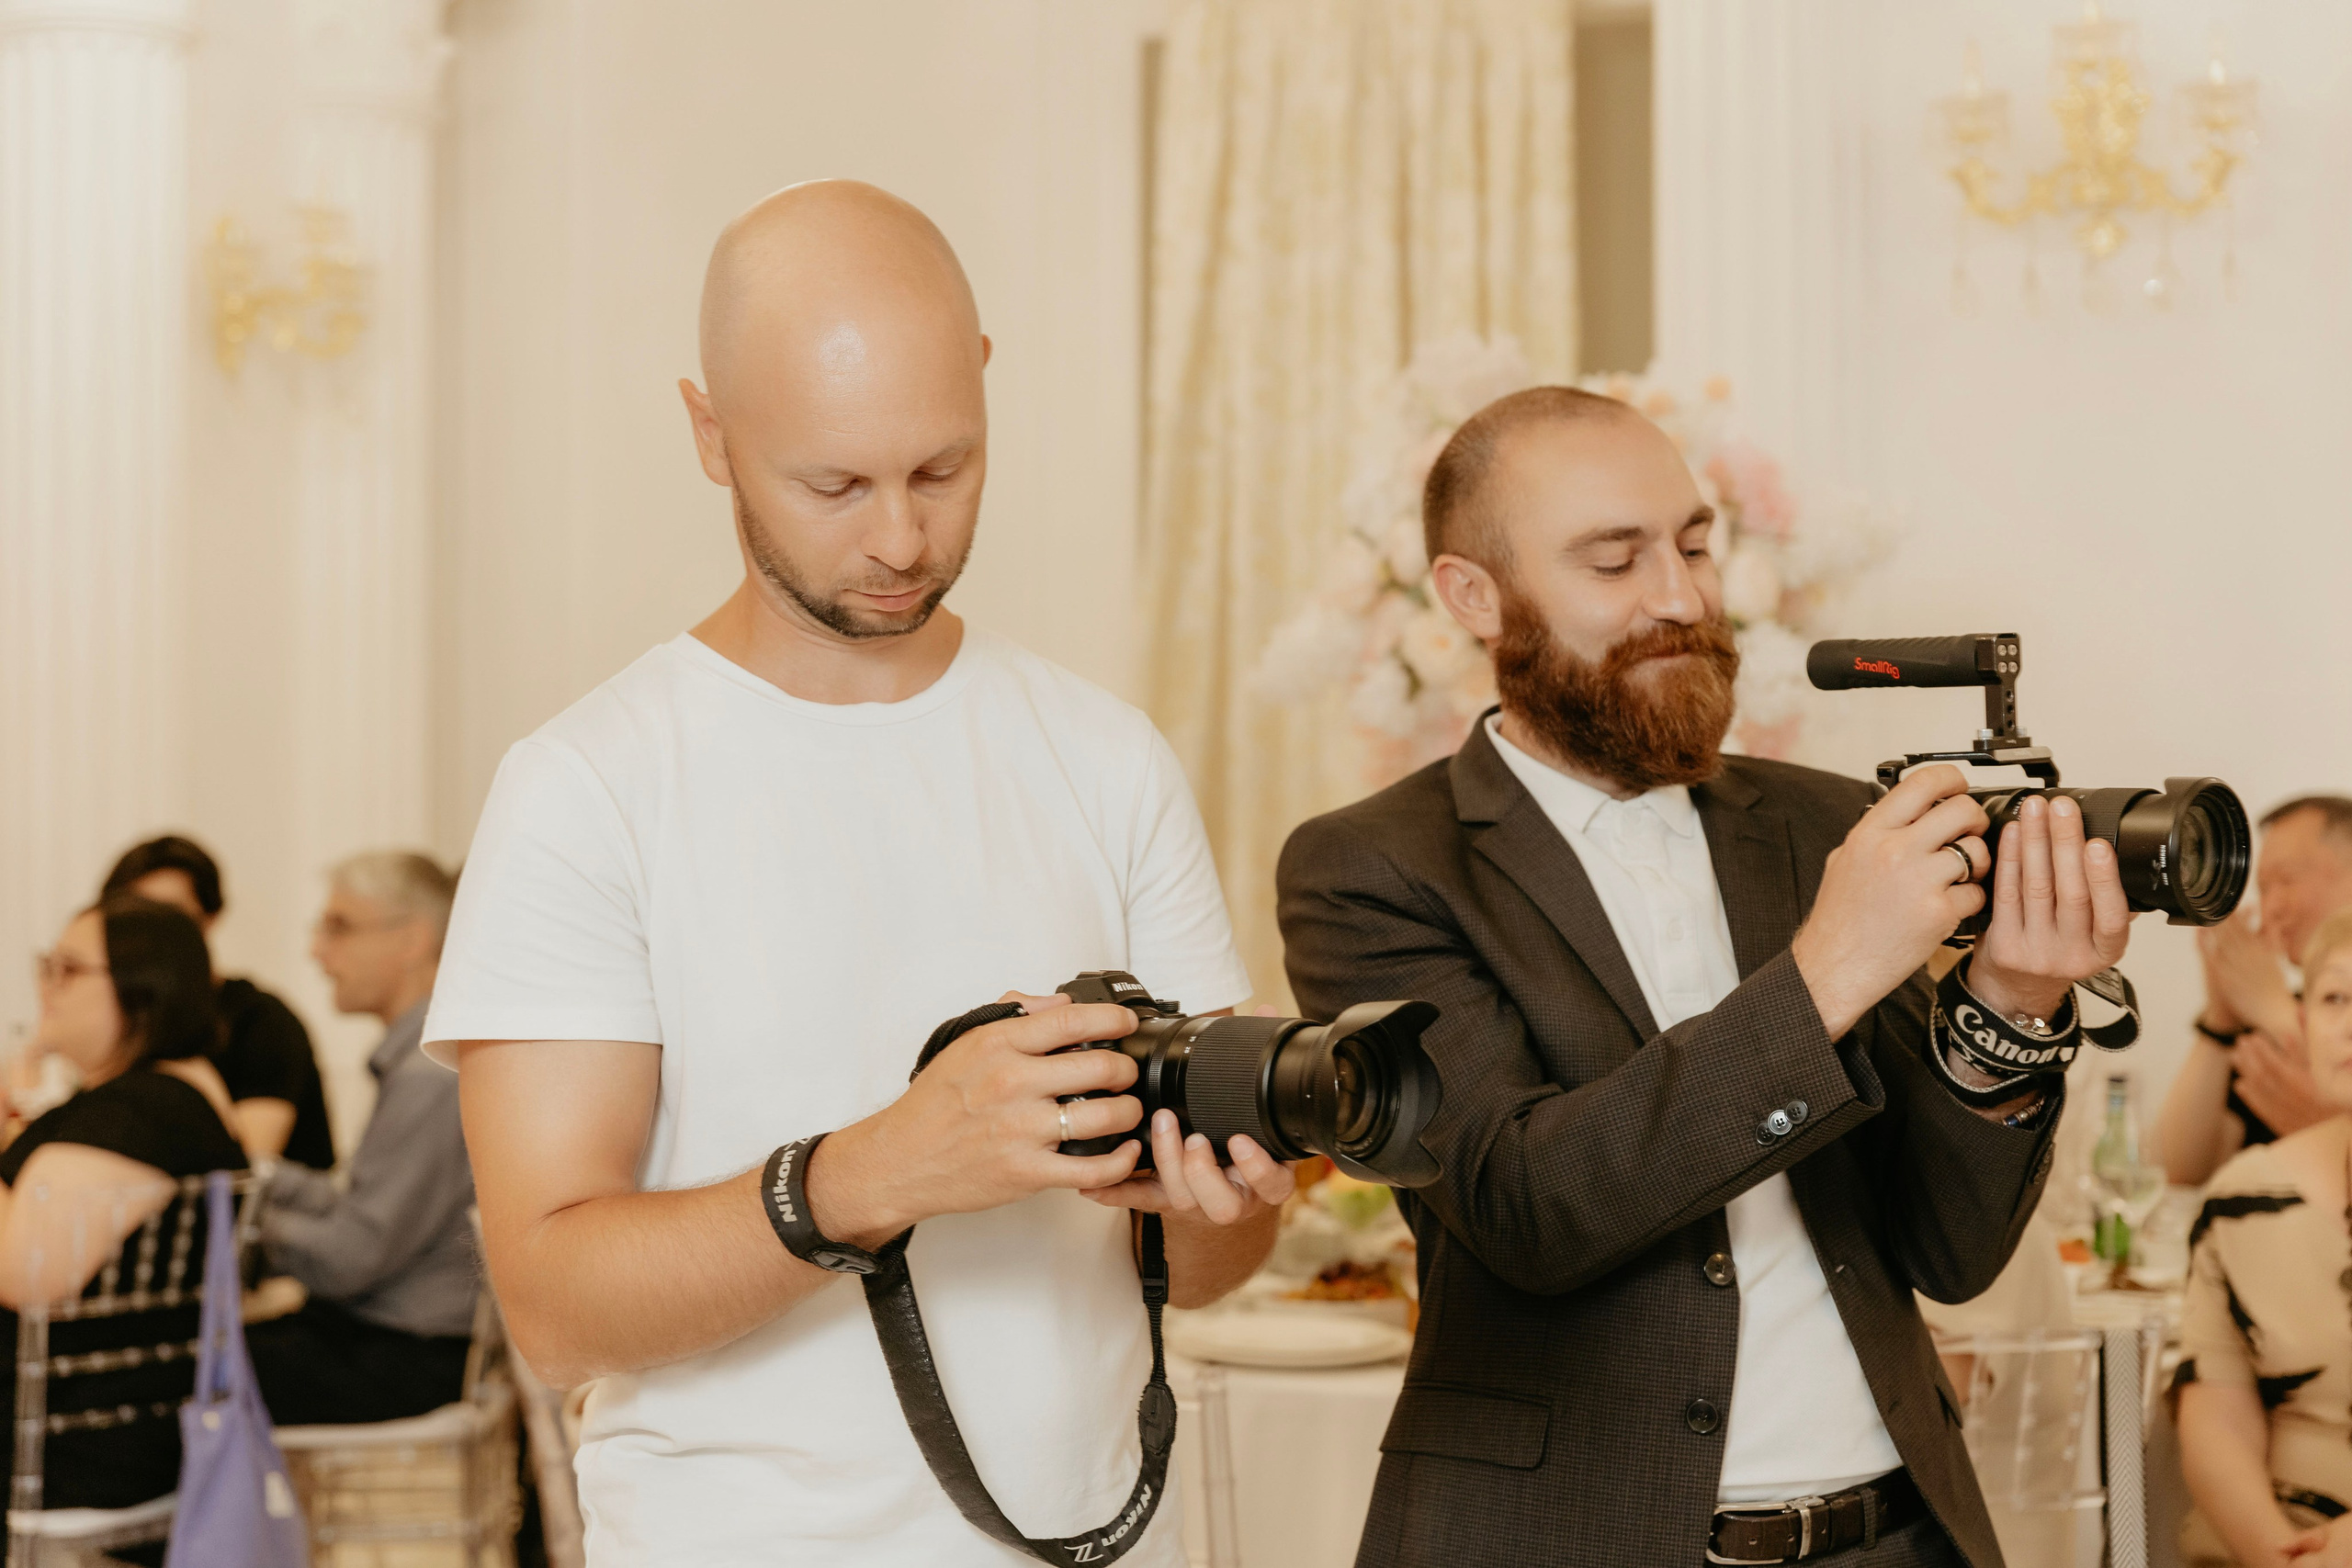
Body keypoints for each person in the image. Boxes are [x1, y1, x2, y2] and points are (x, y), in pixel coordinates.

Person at [433, 180, 1284, 1566]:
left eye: (944, 469)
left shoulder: (1107, 755)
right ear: (711, 434)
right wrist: (879, 1167)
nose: (900, 537)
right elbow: (553, 1305)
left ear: (989, 386)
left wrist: (1211, 1207)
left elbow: (1212, 1262)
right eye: (833, 483)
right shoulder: (586, 787)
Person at [1276, 387, 2135, 1568]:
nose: (1678, 599)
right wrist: (1829, 968)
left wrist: (2012, 1008)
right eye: (1612, 561)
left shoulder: (1828, 826)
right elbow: (1529, 1208)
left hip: (1894, 1532)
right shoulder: (1368, 868)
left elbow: (1947, 1250)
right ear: (1472, 595)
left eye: (1690, 546)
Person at [4, 897, 245, 1523]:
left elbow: (27, 1271)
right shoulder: (159, 1095)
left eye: (69, 968)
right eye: (47, 966)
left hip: (67, 1434)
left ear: (145, 987)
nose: (46, 986)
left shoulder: (141, 1109)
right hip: (99, 1417)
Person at [245, 852, 480, 1426]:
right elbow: (358, 1206)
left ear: (413, 941)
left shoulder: (433, 1075)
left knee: (185, 1375)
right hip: (392, 1336)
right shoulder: (425, 1062)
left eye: (340, 927)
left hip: (411, 1354)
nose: (317, 952)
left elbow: (352, 1256)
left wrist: (243, 1220)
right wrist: (254, 1173)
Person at [2176, 907, 2352, 1568]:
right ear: (2304, 1021)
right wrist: (2276, 1553)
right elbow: (2216, 1413)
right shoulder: (2244, 1196)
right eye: (2334, 996)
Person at [102, 834, 335, 1168]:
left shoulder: (264, 1022)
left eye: (170, 916)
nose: (150, 935)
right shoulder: (126, 1022)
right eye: (131, 919)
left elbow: (245, 1167)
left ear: (211, 918)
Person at [2160, 796, 2352, 1185]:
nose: (2271, 909)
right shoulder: (2282, 1012)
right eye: (2263, 890)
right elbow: (2178, 1171)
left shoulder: (2277, 1007)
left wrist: (2270, 1004)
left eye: (2285, 880)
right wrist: (2221, 1020)